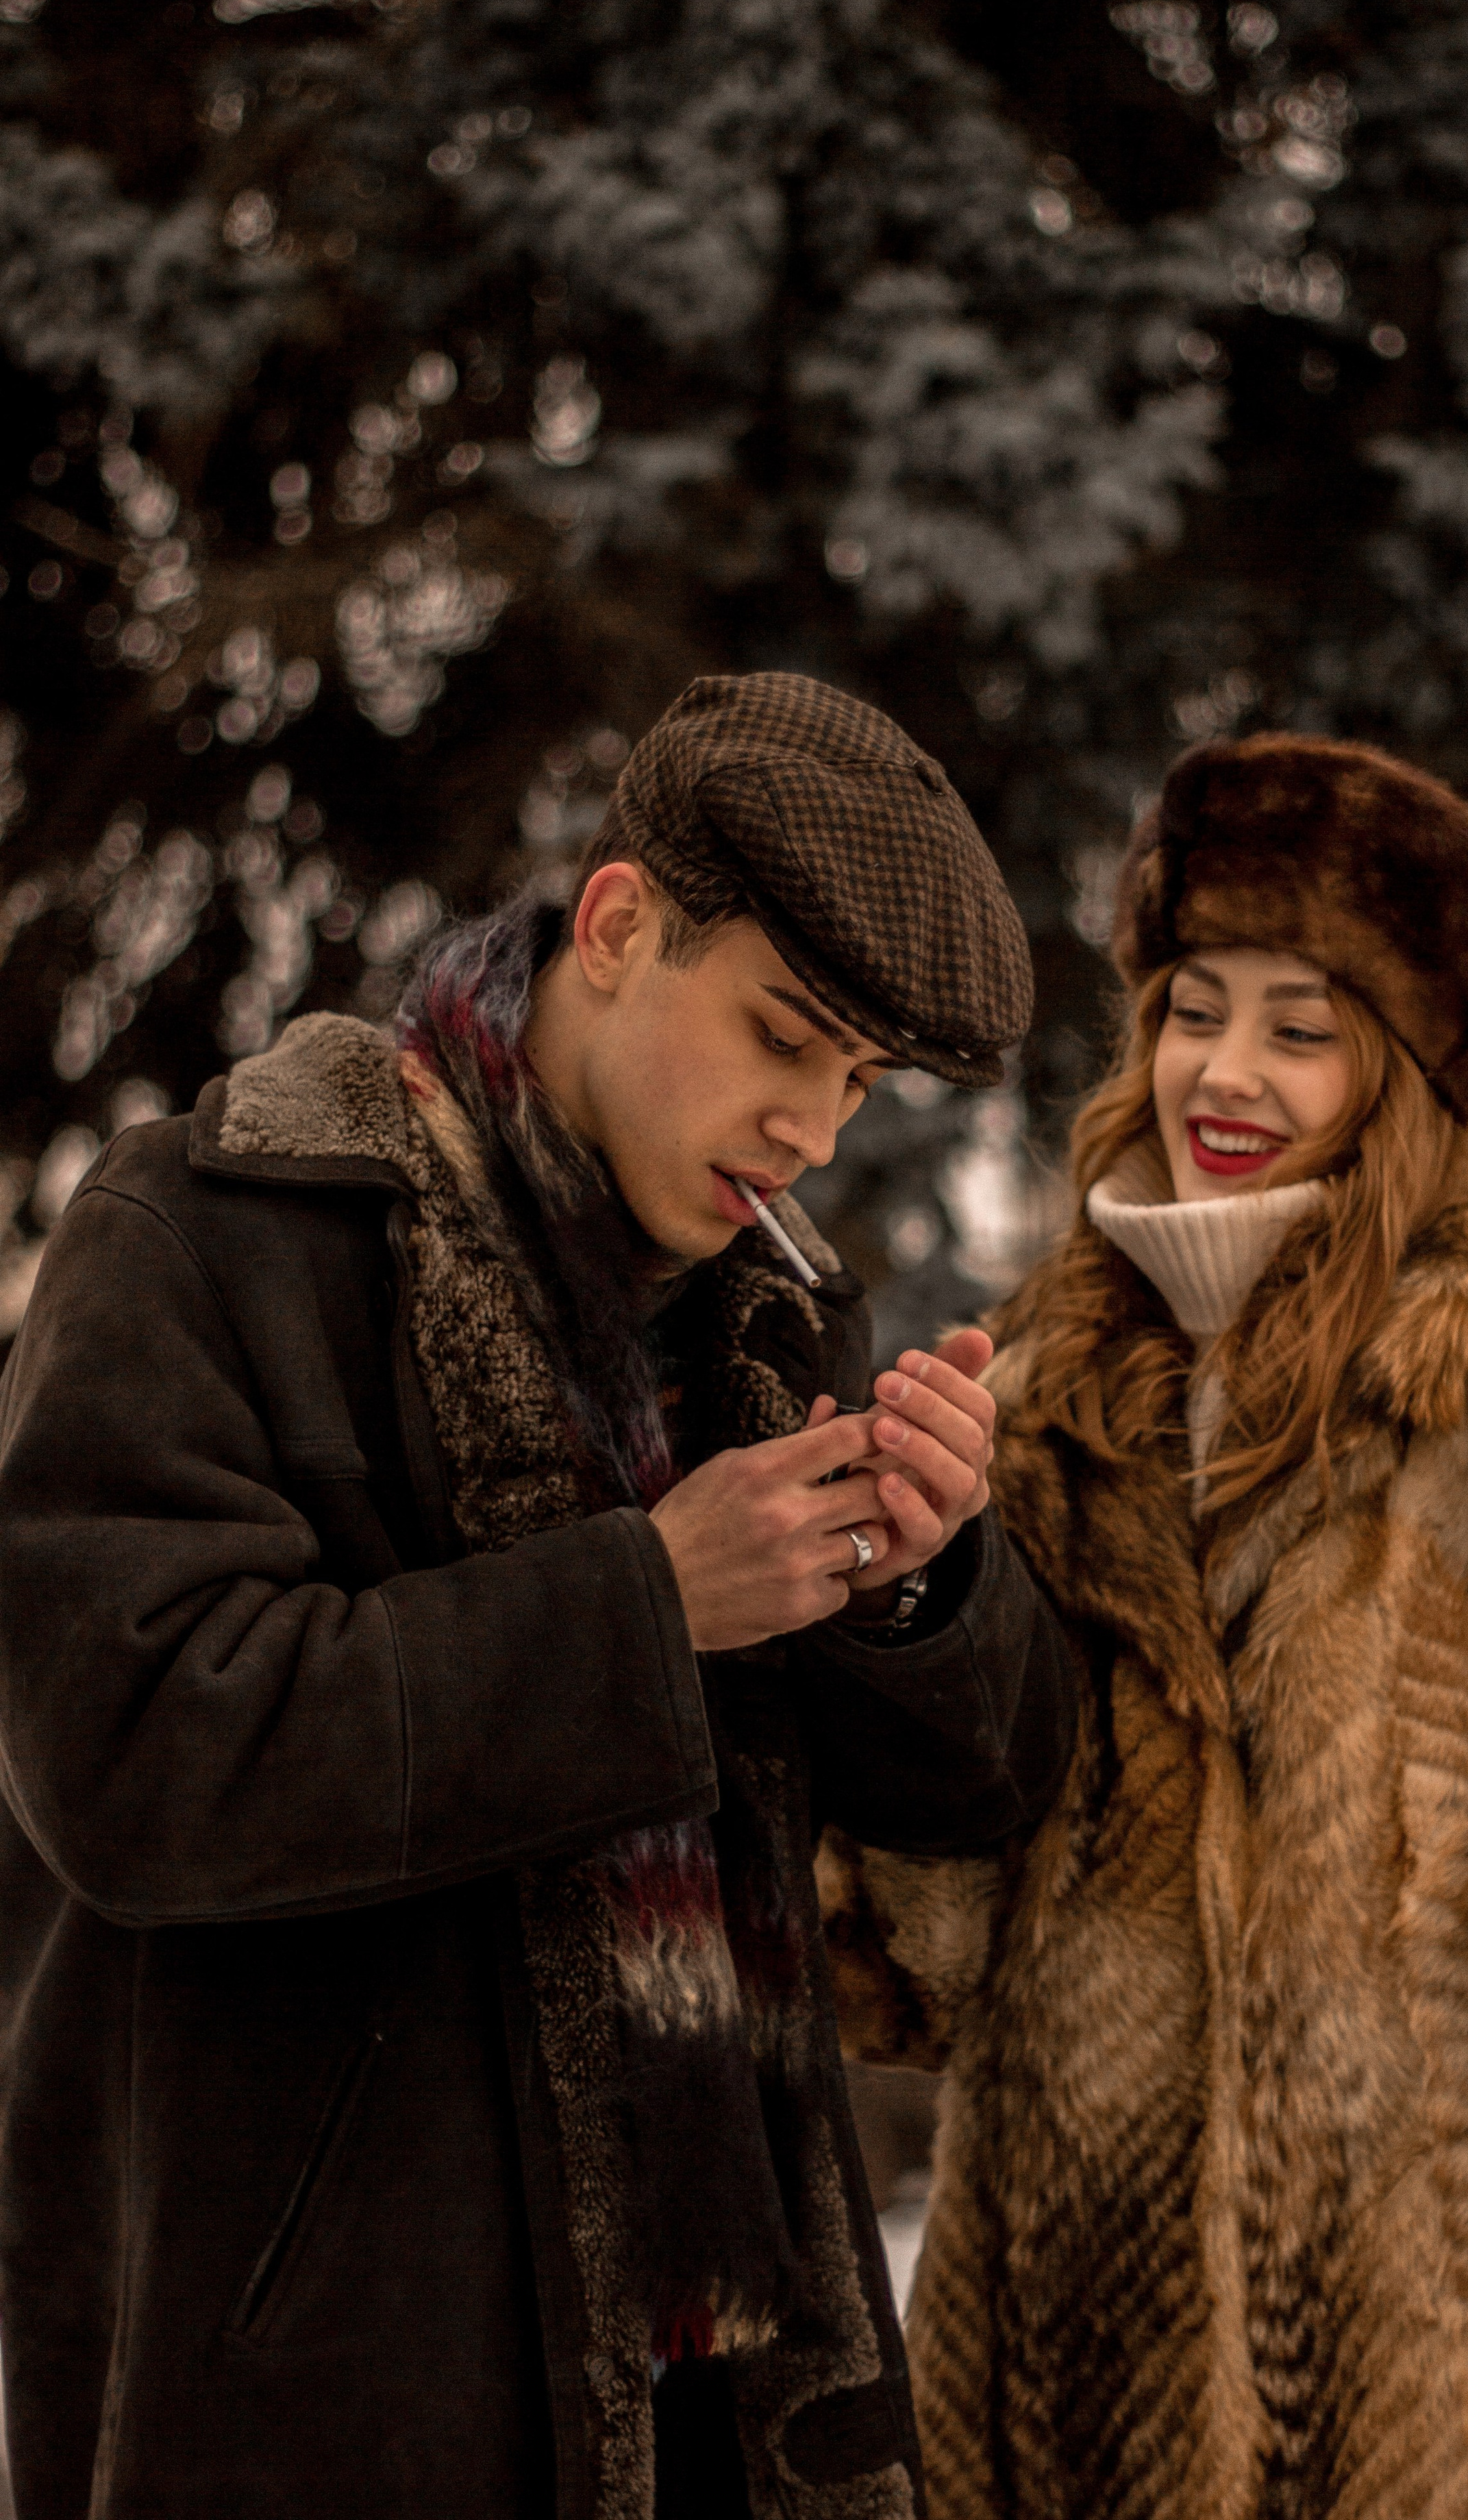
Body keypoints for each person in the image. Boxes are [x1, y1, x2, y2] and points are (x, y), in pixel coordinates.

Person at [0, 671, 1075, 2520]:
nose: (814, 1124)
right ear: (617, 922)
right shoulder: (206, 1229)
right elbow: (128, 1755)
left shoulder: (769, 1307)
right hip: (335, 2411)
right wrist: (646, 1608)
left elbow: (988, 1792)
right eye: (782, 1037)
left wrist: (925, 1586)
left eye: (857, 1078)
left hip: (741, 2417)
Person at [821, 732, 1468, 2520]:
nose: (1223, 1071)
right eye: (1193, 1006)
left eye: (1301, 1026)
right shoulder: (1037, 1396)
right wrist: (910, 1607)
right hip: (1049, 2397)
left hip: (1424, 2413)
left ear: (1402, 1070)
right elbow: (912, 1964)